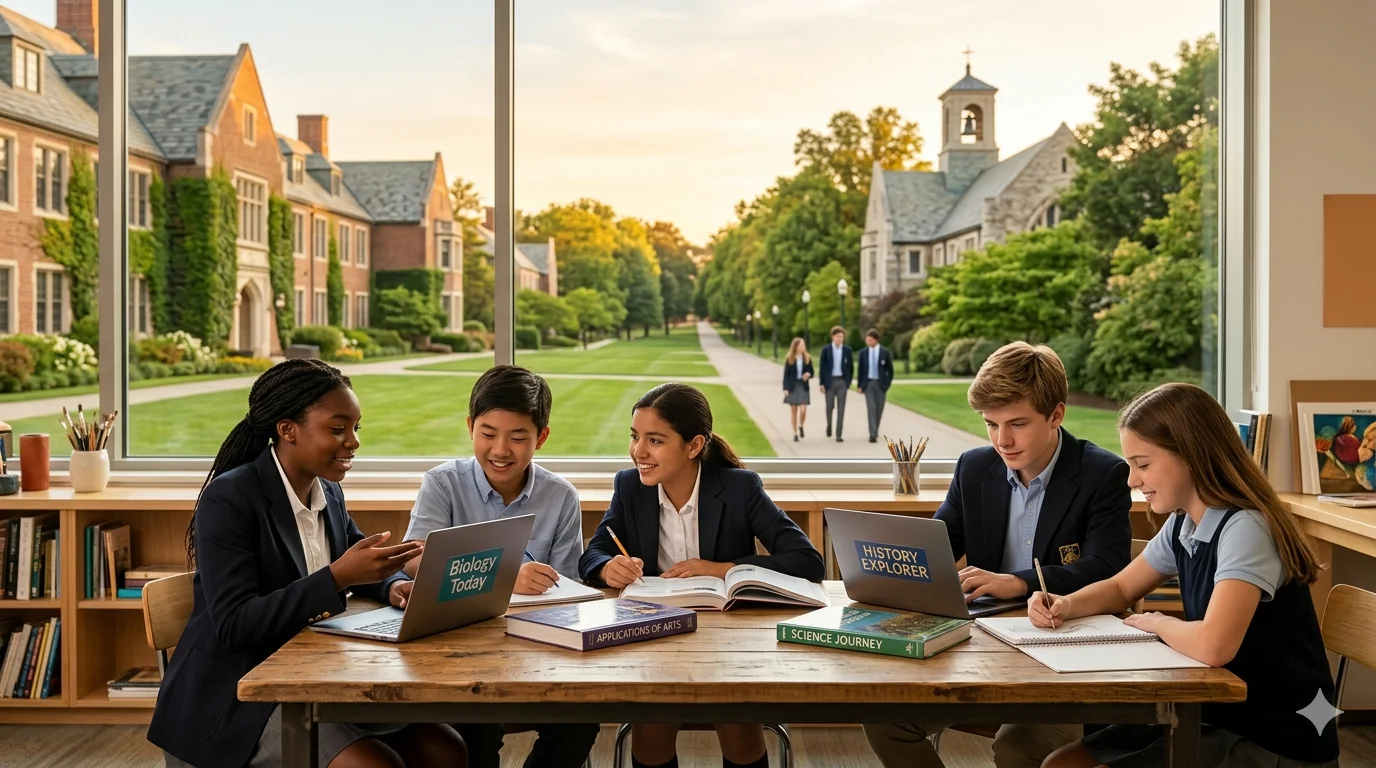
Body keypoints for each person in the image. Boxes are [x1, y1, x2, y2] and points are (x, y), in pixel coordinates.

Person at [148, 359, 467, 768]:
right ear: (287, 430)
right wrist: (337, 577)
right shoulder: (229, 500)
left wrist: (390, 587)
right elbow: (234, 625)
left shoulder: (327, 492)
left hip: (317, 672)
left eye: (355, 428)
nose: (352, 441)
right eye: (338, 428)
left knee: (446, 750)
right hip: (240, 695)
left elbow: (351, 557)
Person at [1039, 383, 1340, 768]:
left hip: (1272, 738)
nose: (1132, 480)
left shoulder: (1246, 528)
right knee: (1062, 764)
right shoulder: (1186, 523)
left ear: (1192, 456)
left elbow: (1215, 646)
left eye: (1143, 465)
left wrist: (1157, 623)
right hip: (1213, 714)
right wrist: (1065, 603)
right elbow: (1120, 586)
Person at [862, 342, 1132, 768]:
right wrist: (887, 562)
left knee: (1017, 747)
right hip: (981, 651)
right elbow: (936, 547)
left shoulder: (1103, 473)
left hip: (1063, 655)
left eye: (1017, 424)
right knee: (884, 720)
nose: (1002, 440)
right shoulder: (973, 467)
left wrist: (1020, 581)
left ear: (1056, 415)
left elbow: (1107, 570)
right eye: (991, 424)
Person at [579, 383, 825, 768]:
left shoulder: (740, 488)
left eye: (655, 440)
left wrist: (723, 568)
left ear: (694, 446)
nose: (638, 452)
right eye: (635, 437)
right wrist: (607, 567)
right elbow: (593, 553)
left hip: (729, 639)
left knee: (738, 725)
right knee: (651, 730)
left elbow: (807, 559)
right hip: (654, 634)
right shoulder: (630, 487)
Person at [402, 365, 599, 768]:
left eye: (518, 437)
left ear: (541, 438)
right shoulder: (442, 483)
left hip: (536, 650)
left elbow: (570, 591)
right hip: (456, 651)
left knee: (581, 720)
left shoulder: (561, 497)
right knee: (476, 725)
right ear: (470, 426)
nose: (500, 450)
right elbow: (413, 561)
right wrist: (504, 577)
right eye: (488, 434)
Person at [856, 328, 894, 443]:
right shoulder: (863, 353)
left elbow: (890, 370)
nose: (868, 342)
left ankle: (875, 429)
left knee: (879, 409)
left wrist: (886, 384)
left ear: (876, 340)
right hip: (868, 384)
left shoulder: (884, 352)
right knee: (871, 408)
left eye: (870, 340)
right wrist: (860, 385)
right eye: (867, 340)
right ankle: (872, 434)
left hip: (880, 384)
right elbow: (860, 370)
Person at [817, 325, 853, 442]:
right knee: (829, 406)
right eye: (838, 337)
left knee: (841, 408)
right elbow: (822, 368)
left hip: (842, 381)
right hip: (830, 381)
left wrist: (848, 382)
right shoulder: (826, 350)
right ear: (833, 337)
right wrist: (821, 383)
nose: (840, 339)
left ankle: (839, 434)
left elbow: (851, 367)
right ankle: (829, 425)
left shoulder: (847, 350)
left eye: (842, 337)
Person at [781, 337, 814, 442]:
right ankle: (795, 433)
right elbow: (786, 375)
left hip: (803, 385)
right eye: (801, 345)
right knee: (794, 409)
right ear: (796, 346)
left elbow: (812, 372)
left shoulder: (807, 358)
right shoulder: (789, 359)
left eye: (804, 345)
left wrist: (808, 374)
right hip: (792, 386)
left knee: (803, 409)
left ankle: (801, 425)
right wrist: (785, 388)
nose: (803, 347)